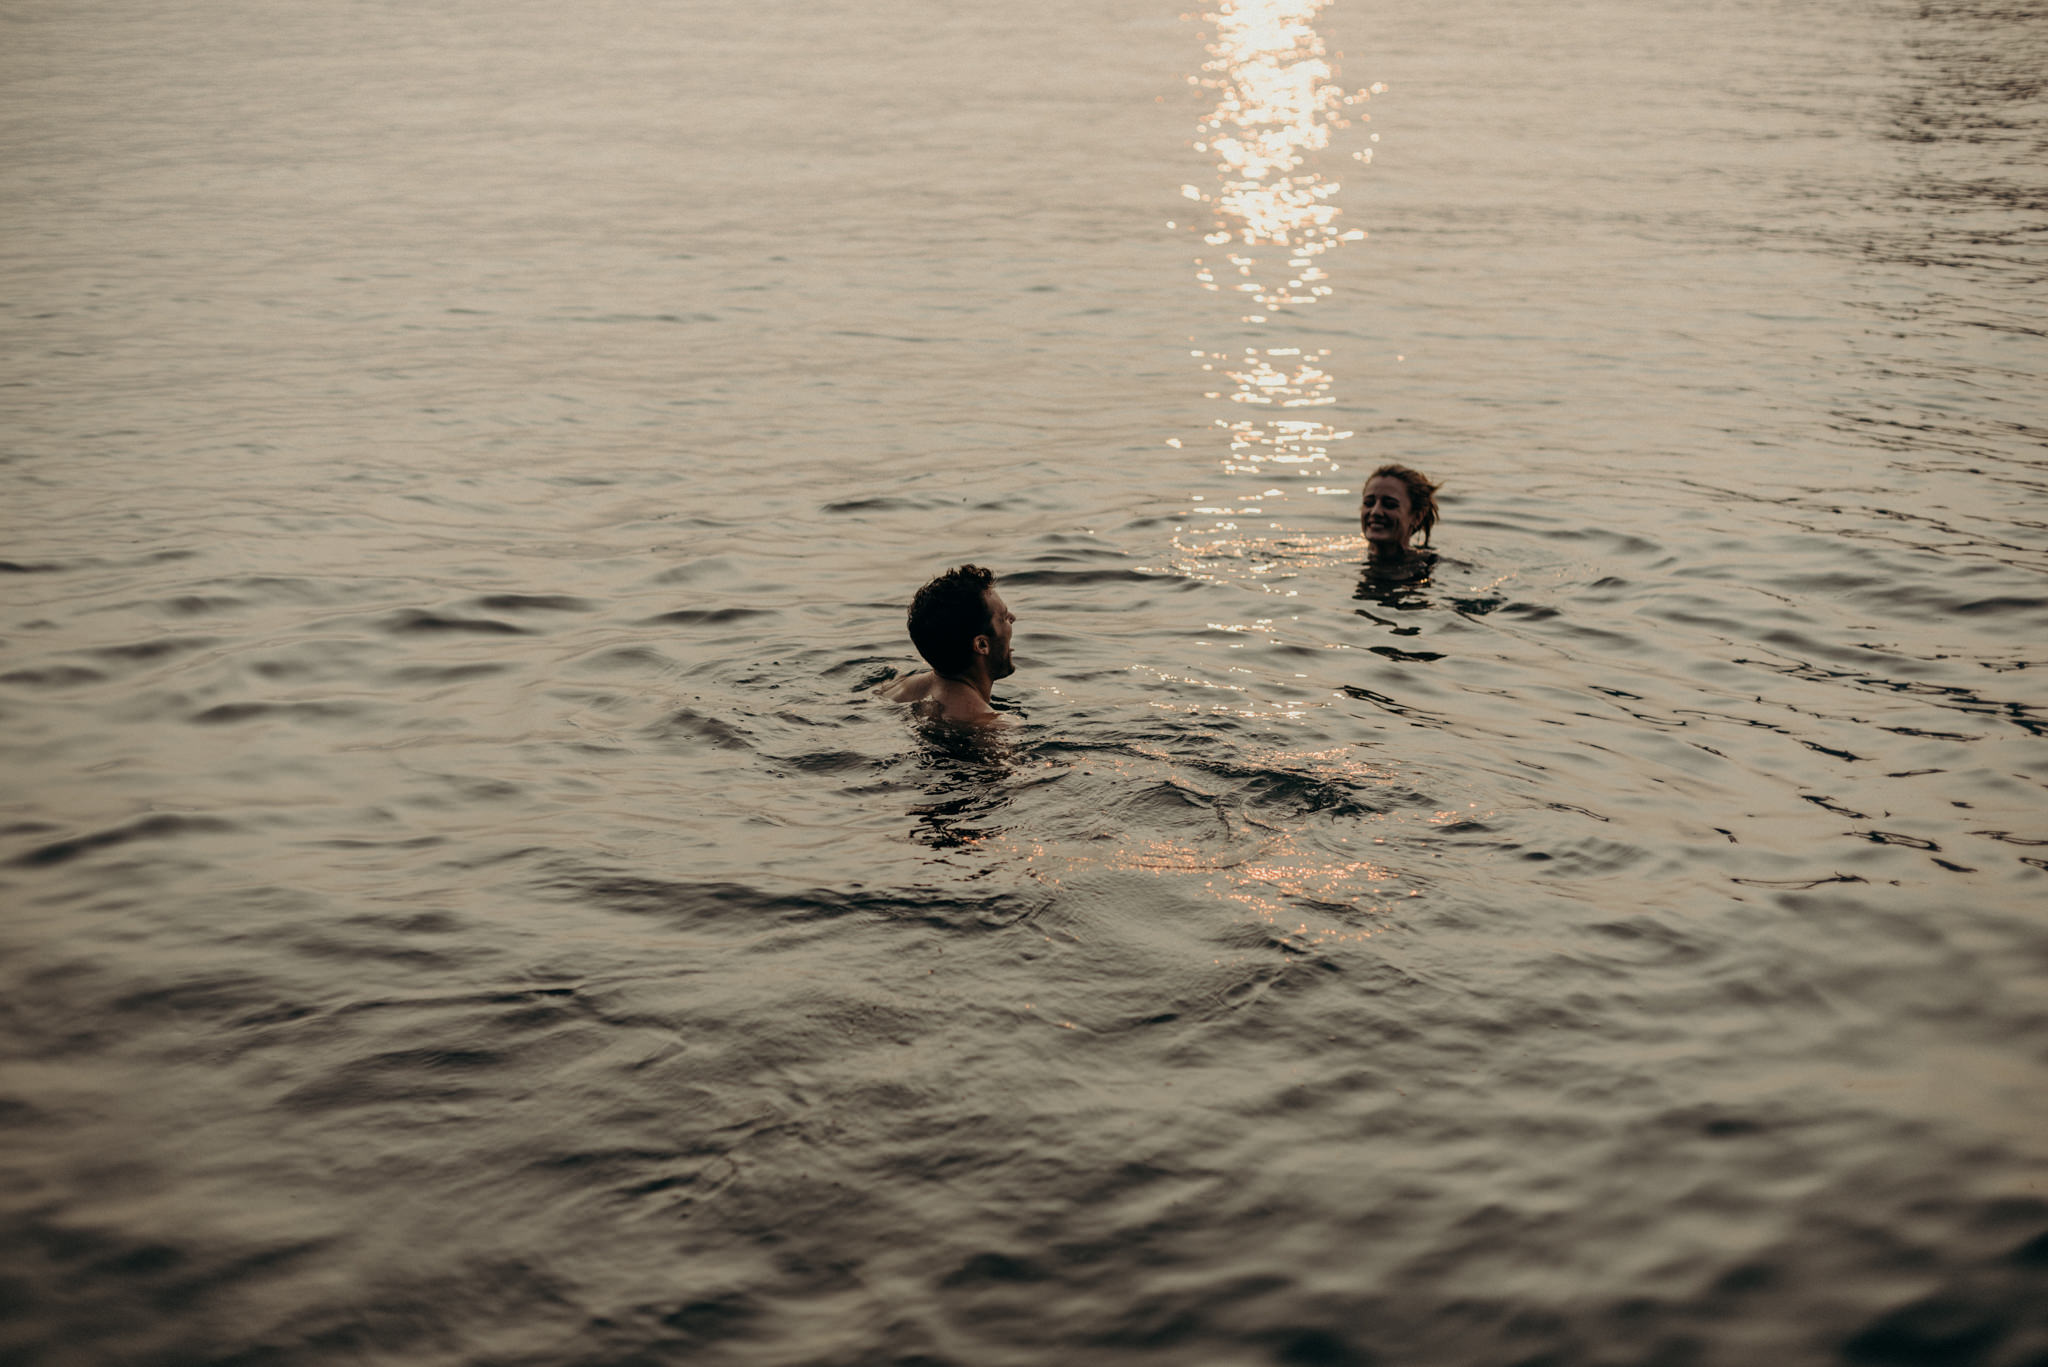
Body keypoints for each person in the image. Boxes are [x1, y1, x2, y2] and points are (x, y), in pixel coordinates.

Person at [878, 564, 1017, 725]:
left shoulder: (897, 687)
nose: (1013, 618)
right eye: (1004, 617)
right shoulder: (990, 725)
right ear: (981, 645)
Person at [1360, 463, 1440, 564]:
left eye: (1390, 504)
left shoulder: (1430, 566)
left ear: (1417, 517)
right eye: (1369, 503)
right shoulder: (1342, 557)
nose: (1375, 512)